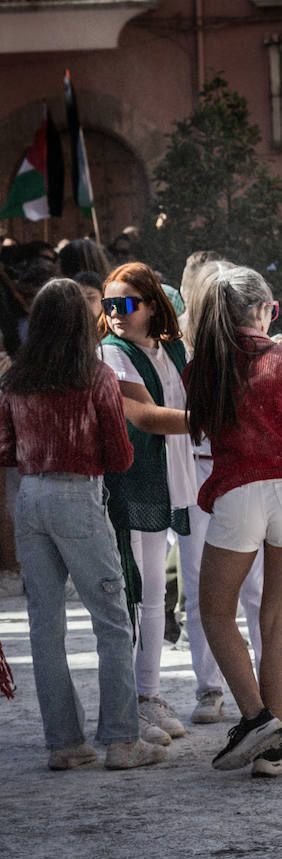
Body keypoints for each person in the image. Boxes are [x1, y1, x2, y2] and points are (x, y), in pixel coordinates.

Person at [0, 278, 165, 770]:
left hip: (30, 499)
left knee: (44, 627)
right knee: (112, 620)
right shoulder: (94, 376)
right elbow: (119, 453)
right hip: (78, 495)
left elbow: (4, 449)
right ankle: (121, 740)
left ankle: (65, 744)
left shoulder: (15, 379)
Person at [184, 265, 282, 775]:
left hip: (237, 492)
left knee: (216, 612)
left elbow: (199, 429)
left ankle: (257, 721)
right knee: (277, 614)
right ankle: (273, 736)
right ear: (265, 309)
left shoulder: (203, 366)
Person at [99, 262, 197, 746]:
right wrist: (213, 419)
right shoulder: (110, 352)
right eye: (109, 305)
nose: (115, 314)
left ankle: (147, 694)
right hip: (135, 484)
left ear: (152, 305)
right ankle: (131, 704)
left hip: (175, 479)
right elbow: (143, 416)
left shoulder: (172, 348)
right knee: (137, 595)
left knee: (157, 595)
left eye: (126, 304)